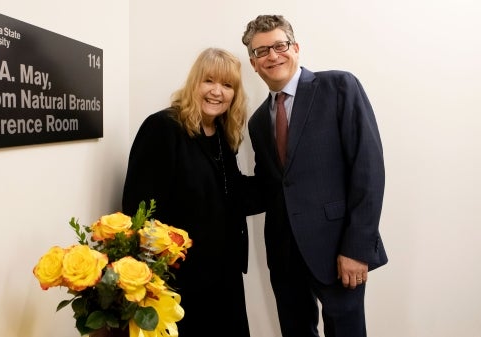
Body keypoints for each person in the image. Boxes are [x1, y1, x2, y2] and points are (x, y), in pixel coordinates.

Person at [241, 15, 388, 337]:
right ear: (253, 63)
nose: (272, 56)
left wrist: (357, 248)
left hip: (338, 250)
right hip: (284, 254)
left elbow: (368, 169)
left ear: (295, 47)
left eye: (279, 46)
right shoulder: (256, 122)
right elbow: (269, 186)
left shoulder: (338, 87)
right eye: (261, 51)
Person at [122, 47, 258, 337]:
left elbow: (232, 193)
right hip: (181, 280)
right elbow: (139, 210)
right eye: (209, 81)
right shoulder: (163, 127)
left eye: (227, 85)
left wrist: (285, 183)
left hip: (224, 275)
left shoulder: (222, 133)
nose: (217, 92)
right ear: (194, 82)